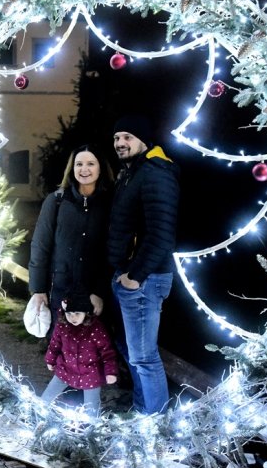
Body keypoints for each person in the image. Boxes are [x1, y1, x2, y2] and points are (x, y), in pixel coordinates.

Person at [108, 113, 180, 415]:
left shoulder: (155, 172)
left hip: (145, 280)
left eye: (127, 137)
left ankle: (156, 426)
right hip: (131, 277)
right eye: (116, 138)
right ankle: (142, 412)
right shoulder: (134, 172)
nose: (120, 143)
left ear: (143, 141)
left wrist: (134, 276)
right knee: (131, 352)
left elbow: (162, 234)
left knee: (144, 357)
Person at [28, 143, 114, 342]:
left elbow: (112, 252)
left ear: (100, 168)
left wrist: (100, 291)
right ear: (72, 168)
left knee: (94, 355)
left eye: (91, 164)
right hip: (60, 290)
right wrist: (38, 290)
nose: (84, 169)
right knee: (60, 351)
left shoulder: (110, 204)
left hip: (93, 293)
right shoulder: (56, 201)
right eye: (79, 164)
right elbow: (40, 246)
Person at [40, 291, 119, 418]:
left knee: (92, 408)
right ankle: (37, 415)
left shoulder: (96, 329)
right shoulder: (62, 325)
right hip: (65, 369)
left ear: (86, 313)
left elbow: (107, 352)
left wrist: (110, 372)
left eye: (77, 313)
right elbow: (55, 344)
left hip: (90, 375)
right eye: (69, 313)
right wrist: (50, 360)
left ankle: (92, 430)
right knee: (46, 397)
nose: (73, 317)